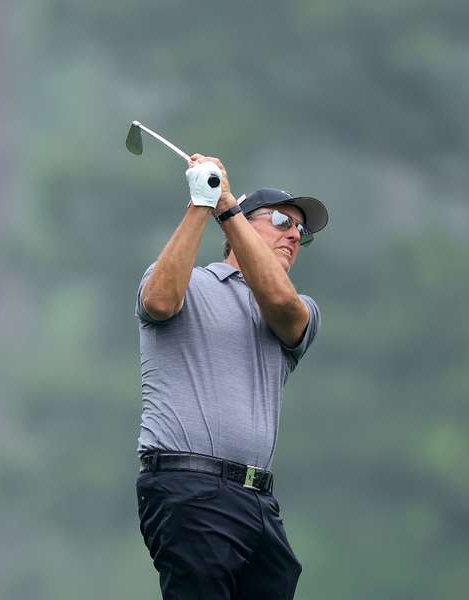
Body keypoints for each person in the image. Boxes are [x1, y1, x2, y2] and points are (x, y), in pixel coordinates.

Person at [134, 153, 329, 600]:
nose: (295, 235)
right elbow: (160, 301)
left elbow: (282, 308)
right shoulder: (189, 282)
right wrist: (203, 204)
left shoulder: (300, 309)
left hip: (259, 503)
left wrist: (225, 209)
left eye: (302, 231)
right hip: (188, 488)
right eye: (282, 220)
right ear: (244, 222)